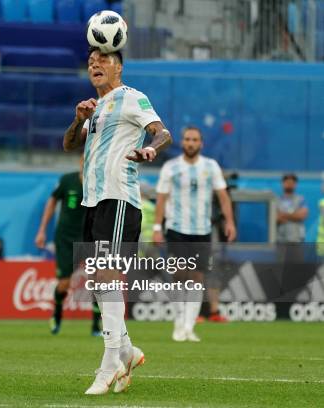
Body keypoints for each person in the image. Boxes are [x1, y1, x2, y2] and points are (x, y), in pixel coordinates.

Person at [62, 47, 172, 395]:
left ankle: (109, 364)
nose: (95, 64)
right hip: (93, 201)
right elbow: (68, 145)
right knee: (95, 282)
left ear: (119, 67)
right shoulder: (94, 109)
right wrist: (79, 118)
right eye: (91, 61)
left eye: (103, 60)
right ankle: (127, 351)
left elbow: (162, 131)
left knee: (107, 275)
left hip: (119, 197)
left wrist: (151, 148)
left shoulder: (131, 98)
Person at [153, 126, 236, 342]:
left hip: (202, 230)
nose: (191, 143)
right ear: (182, 142)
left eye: (195, 140)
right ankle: (179, 322)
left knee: (198, 277)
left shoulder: (211, 166)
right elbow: (161, 198)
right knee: (179, 275)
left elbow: (223, 196)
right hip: (177, 228)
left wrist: (229, 222)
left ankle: (189, 326)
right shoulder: (171, 167)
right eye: (187, 139)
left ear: (201, 144)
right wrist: (156, 227)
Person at [35, 157, 102, 336]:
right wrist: (41, 230)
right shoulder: (66, 180)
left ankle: (96, 326)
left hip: (90, 237)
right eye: (84, 159)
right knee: (64, 283)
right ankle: (57, 313)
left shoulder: (100, 181)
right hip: (65, 238)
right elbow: (52, 202)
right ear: (80, 162)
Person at [276, 173, 308, 243]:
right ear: (282, 183)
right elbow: (275, 218)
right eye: (287, 182)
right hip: (280, 240)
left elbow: (302, 216)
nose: (289, 184)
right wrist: (294, 215)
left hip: (296, 240)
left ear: (295, 184)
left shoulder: (300, 199)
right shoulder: (276, 200)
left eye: (292, 182)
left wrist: (283, 215)